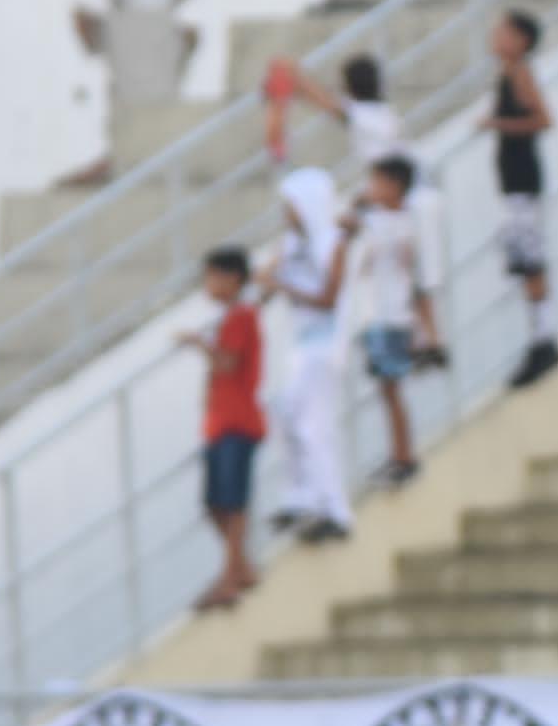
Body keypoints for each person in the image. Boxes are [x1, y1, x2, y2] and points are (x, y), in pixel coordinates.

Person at [260, 164, 352, 543]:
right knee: (287, 415)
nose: (288, 214)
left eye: (293, 205)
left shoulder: (332, 243)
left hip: (324, 344)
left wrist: (282, 286)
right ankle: (301, 498)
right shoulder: (291, 245)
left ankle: (332, 506)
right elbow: (264, 287)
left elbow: (328, 299)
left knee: (314, 427)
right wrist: (271, 277)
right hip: (301, 344)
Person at [340, 153, 442, 482]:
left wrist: (429, 332)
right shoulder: (388, 221)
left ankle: (403, 455)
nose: (373, 188)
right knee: (388, 391)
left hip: (392, 317)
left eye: (379, 182)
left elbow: (418, 282)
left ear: (395, 186)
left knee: (392, 390)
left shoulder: (398, 224)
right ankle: (398, 453)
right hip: (381, 316)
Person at [183, 245, 264, 611]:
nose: (208, 284)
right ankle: (241, 567)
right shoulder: (231, 317)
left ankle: (230, 578)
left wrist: (199, 344)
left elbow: (228, 364)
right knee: (214, 503)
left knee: (231, 504)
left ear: (232, 279)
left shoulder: (240, 317)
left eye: (213, 276)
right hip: (220, 424)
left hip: (238, 422)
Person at [485, 7, 558, 387]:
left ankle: (544, 337)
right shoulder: (507, 73)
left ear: (520, 40)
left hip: (522, 181)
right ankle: (538, 335)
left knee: (530, 259)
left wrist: (499, 124)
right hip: (513, 182)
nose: (495, 37)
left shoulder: (521, 73)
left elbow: (544, 119)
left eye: (503, 32)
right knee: (520, 258)